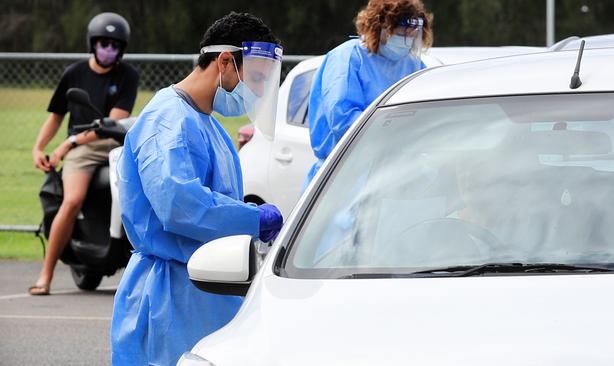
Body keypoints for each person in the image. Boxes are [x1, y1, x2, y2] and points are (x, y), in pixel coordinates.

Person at [111, 12, 284, 365]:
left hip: (205, 290)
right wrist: (253, 218)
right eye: (255, 78)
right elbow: (179, 205)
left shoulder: (207, 124)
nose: (259, 91)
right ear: (224, 62)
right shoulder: (168, 121)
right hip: (171, 298)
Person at [29, 12, 139, 296]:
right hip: (83, 150)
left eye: (115, 45)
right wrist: (39, 147)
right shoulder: (74, 73)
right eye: (103, 43)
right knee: (73, 199)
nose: (108, 49)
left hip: (114, 141)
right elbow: (55, 116)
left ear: (122, 49)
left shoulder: (128, 75)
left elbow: (114, 121)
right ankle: (46, 274)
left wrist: (69, 142)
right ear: (93, 43)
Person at [303, 0, 433, 188]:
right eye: (401, 33)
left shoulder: (413, 65)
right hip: (344, 176)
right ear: (381, 28)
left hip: (395, 176)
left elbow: (425, 116)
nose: (407, 39)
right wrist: (396, 131)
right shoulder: (348, 58)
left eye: (412, 35)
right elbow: (343, 120)